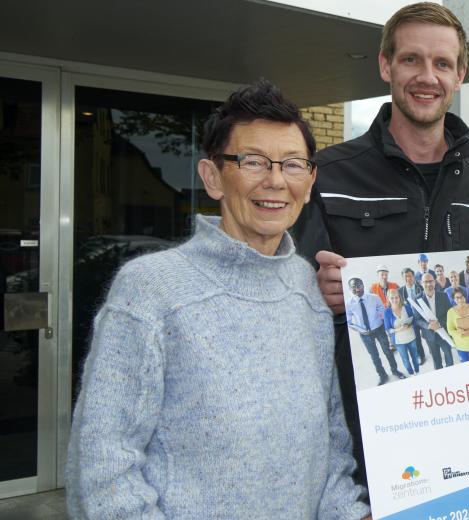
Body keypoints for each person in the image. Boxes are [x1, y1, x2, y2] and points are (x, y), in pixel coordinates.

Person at [65, 80, 369, 518]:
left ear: (310, 179)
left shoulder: (307, 290)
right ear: (212, 176)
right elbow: (102, 466)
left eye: (293, 164)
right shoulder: (151, 290)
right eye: (252, 162)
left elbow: (331, 450)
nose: (276, 181)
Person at [288, 2, 469, 484]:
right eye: (411, 59)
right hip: (357, 441)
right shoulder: (327, 174)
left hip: (464, 429)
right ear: (385, 65)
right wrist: (313, 289)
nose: (426, 76)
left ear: (460, 75)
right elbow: (287, 294)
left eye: (442, 63)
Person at [347, 278, 405, 383]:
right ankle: (382, 375)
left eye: (359, 285)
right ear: (350, 289)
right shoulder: (349, 304)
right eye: (353, 287)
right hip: (364, 334)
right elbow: (349, 322)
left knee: (388, 351)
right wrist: (360, 330)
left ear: (363, 285)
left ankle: (395, 371)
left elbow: (382, 312)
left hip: (379, 329)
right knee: (374, 356)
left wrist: (388, 326)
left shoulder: (374, 298)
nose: (357, 289)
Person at [413, 271, 455, 370]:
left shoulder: (443, 296)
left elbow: (449, 313)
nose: (429, 284)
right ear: (421, 283)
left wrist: (439, 323)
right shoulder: (417, 299)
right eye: (426, 282)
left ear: (435, 282)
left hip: (443, 332)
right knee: (436, 360)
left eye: (431, 281)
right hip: (429, 335)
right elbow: (417, 319)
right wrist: (428, 325)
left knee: (449, 357)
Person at [384, 287, 420, 375]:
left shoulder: (406, 307)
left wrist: (410, 325)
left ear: (399, 297)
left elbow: (414, 320)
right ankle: (411, 373)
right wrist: (399, 329)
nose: (395, 300)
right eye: (392, 298)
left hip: (411, 337)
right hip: (399, 341)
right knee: (405, 360)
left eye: (396, 297)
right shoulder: (387, 312)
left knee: (415, 357)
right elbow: (388, 330)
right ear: (388, 299)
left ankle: (417, 371)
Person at [446, 289, 469, 362]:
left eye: (462, 297)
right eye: (457, 298)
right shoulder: (450, 312)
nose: (460, 299)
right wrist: (459, 332)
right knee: (465, 366)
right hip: (460, 345)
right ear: (454, 299)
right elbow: (450, 330)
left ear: (465, 297)